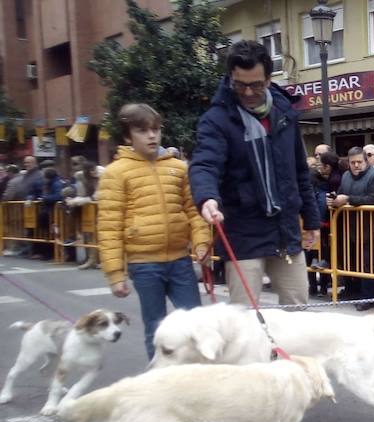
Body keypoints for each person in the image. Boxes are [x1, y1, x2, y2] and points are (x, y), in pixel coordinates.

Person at [190, 40, 320, 307]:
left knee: (299, 311)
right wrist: (207, 198)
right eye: (240, 85)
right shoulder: (216, 119)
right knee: (243, 321)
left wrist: (312, 220)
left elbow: (299, 171)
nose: (248, 92)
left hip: (285, 230)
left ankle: (285, 352)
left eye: (256, 84)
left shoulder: (285, 112)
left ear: (269, 79)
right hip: (243, 231)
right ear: (230, 78)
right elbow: (204, 163)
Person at [98, 103, 210, 359]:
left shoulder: (178, 167)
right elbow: (109, 225)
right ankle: (158, 381)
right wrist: (115, 273)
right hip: (144, 263)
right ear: (128, 136)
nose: (151, 136)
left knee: (196, 323)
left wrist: (202, 242)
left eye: (156, 130)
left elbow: (194, 210)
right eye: (142, 130)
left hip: (180, 260)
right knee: (155, 327)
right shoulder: (116, 173)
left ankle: (198, 376)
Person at [328, 146, 374, 311]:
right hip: (353, 228)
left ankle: (369, 297)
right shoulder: (346, 175)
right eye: (353, 162)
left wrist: (347, 198)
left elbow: (373, 199)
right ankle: (357, 292)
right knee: (355, 262)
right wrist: (335, 200)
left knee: (369, 264)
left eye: (359, 162)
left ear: (366, 161)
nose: (356, 165)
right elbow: (341, 192)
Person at [308, 151, 342, 296]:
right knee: (313, 256)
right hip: (316, 223)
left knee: (321, 255)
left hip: (324, 224)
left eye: (319, 157)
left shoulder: (333, 179)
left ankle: (320, 287)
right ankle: (316, 287)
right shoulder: (317, 179)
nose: (318, 163)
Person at [65, 159, 101, 269]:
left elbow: (96, 196)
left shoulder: (104, 174)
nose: (93, 173)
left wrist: (75, 201)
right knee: (90, 233)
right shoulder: (80, 177)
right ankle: (92, 259)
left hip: (104, 208)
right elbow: (83, 195)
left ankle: (97, 259)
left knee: (100, 234)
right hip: (91, 209)